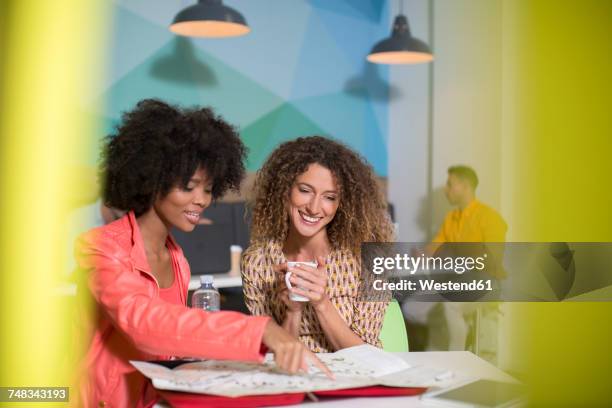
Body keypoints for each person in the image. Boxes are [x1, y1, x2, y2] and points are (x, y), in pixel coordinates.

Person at [74, 100, 331, 407]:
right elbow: (144, 324)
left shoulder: (176, 257)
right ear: (152, 180)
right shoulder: (103, 248)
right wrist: (261, 330)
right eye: (188, 186)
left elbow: (169, 346)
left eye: (207, 189)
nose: (201, 200)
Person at [242, 136, 394, 352]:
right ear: (284, 189)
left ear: (342, 204)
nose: (314, 208)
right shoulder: (257, 262)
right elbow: (272, 354)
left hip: (353, 380)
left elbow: (368, 355)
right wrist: (293, 312)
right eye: (305, 191)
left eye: (329, 197)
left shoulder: (368, 260)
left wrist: (321, 303)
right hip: (293, 379)